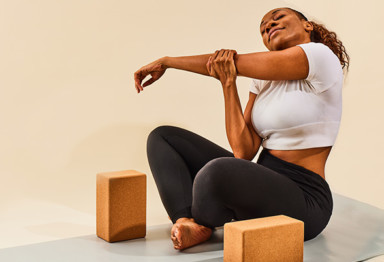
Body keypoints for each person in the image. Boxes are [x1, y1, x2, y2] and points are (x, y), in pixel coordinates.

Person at [134, 7, 350, 250]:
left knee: (215, 173)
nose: (269, 25)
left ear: (307, 25)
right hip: (263, 181)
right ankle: (187, 221)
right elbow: (243, 151)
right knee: (163, 138)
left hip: (305, 201)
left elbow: (231, 62)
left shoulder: (320, 56)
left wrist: (168, 62)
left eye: (277, 18)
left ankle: (209, 216)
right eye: (263, 28)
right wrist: (228, 84)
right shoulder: (262, 80)